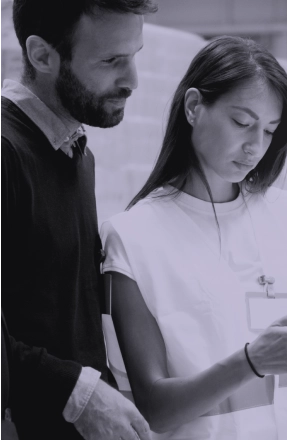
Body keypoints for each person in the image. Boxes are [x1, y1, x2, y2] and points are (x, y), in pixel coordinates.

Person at [100, 36, 287, 439]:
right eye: (242, 122)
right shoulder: (133, 239)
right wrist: (252, 360)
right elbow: (154, 411)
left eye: (270, 130)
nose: (255, 146)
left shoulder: (286, 216)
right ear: (193, 107)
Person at [0, 0, 157, 439]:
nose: (132, 81)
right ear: (42, 55)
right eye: (111, 61)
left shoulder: (75, 153)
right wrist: (78, 392)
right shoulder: (5, 151)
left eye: (134, 57)